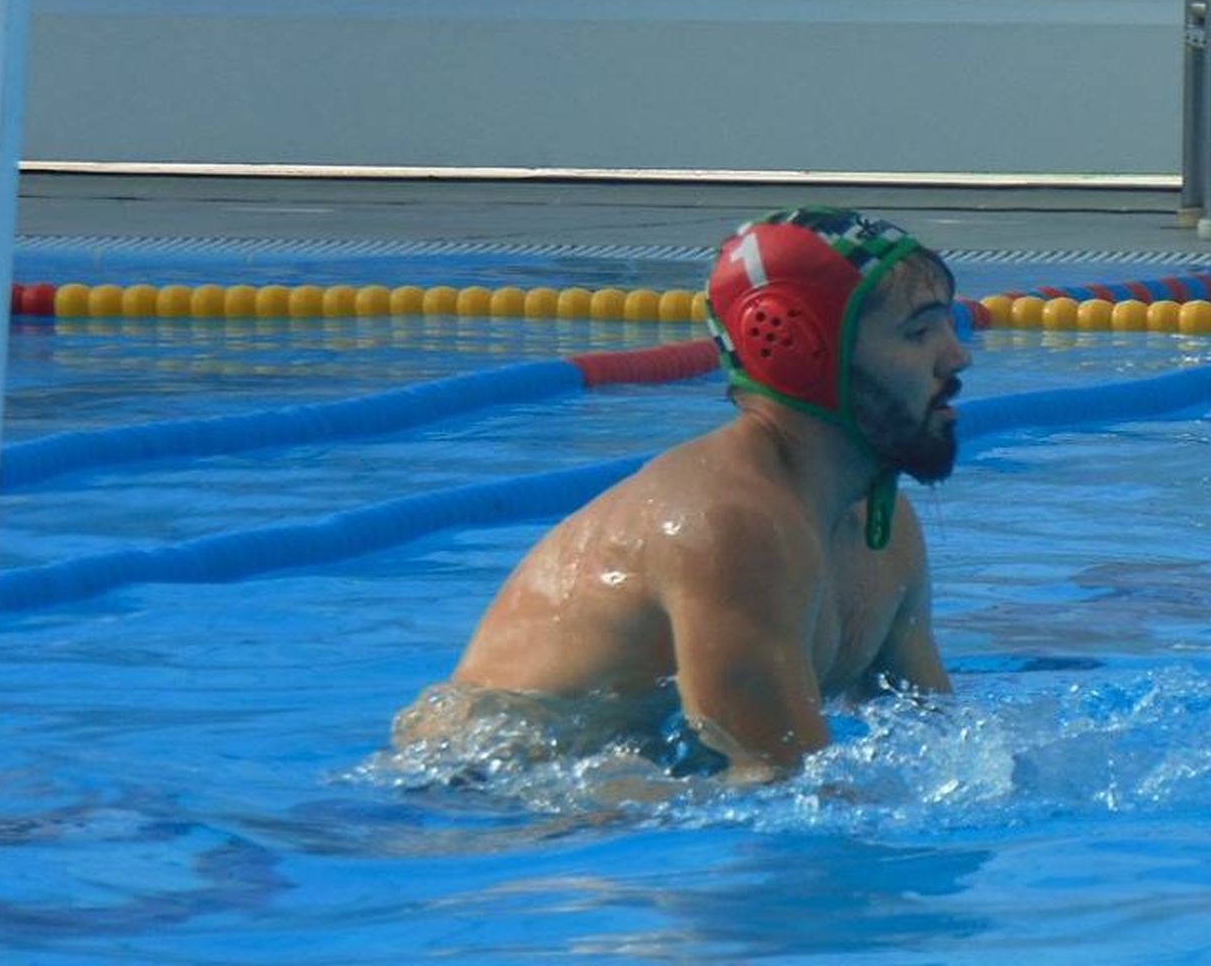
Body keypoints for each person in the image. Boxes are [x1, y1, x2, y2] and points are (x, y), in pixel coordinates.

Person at [393, 206, 970, 783]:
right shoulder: (731, 526)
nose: (957, 355)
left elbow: (935, 741)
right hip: (472, 795)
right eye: (919, 333)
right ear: (797, 349)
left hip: (613, 798)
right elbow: (781, 782)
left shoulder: (882, 527)